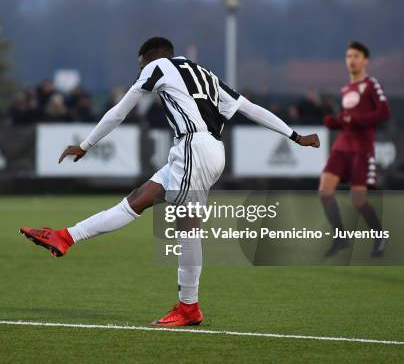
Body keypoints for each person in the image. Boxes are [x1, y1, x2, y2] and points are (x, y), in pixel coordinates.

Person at [20, 37, 319, 327]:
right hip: (204, 150)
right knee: (138, 199)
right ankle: (65, 237)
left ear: (152, 57)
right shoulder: (205, 74)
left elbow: (121, 110)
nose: (141, 72)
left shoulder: (158, 66)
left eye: (141, 66)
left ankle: (189, 307)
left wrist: (86, 144)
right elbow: (250, 108)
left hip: (194, 148)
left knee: (187, 225)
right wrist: (294, 135)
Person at [320, 41, 390, 257]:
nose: (352, 60)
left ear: (365, 60)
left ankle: (380, 236)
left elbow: (384, 112)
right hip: (342, 146)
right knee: (324, 191)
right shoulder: (346, 89)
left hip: (361, 148)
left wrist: (356, 119)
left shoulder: (371, 85)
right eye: (349, 56)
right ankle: (341, 236)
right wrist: (336, 122)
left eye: (356, 56)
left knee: (358, 200)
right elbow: (347, 118)